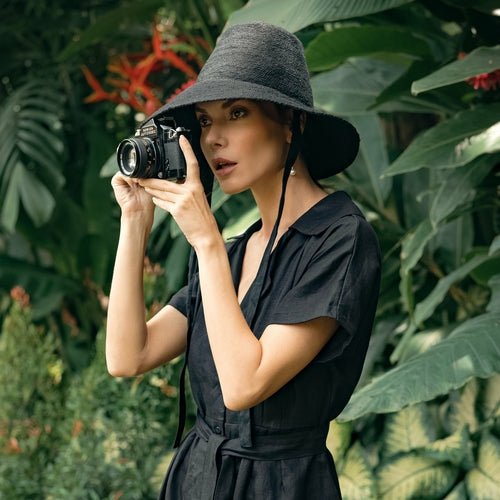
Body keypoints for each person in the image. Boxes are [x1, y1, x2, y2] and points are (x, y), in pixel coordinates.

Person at [106, 21, 381, 500]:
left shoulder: (340, 238)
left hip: (282, 486)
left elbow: (244, 386)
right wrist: (135, 222)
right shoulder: (233, 253)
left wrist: (206, 242)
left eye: (237, 113)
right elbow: (128, 357)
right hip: (195, 479)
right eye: (207, 121)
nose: (213, 139)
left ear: (291, 123)